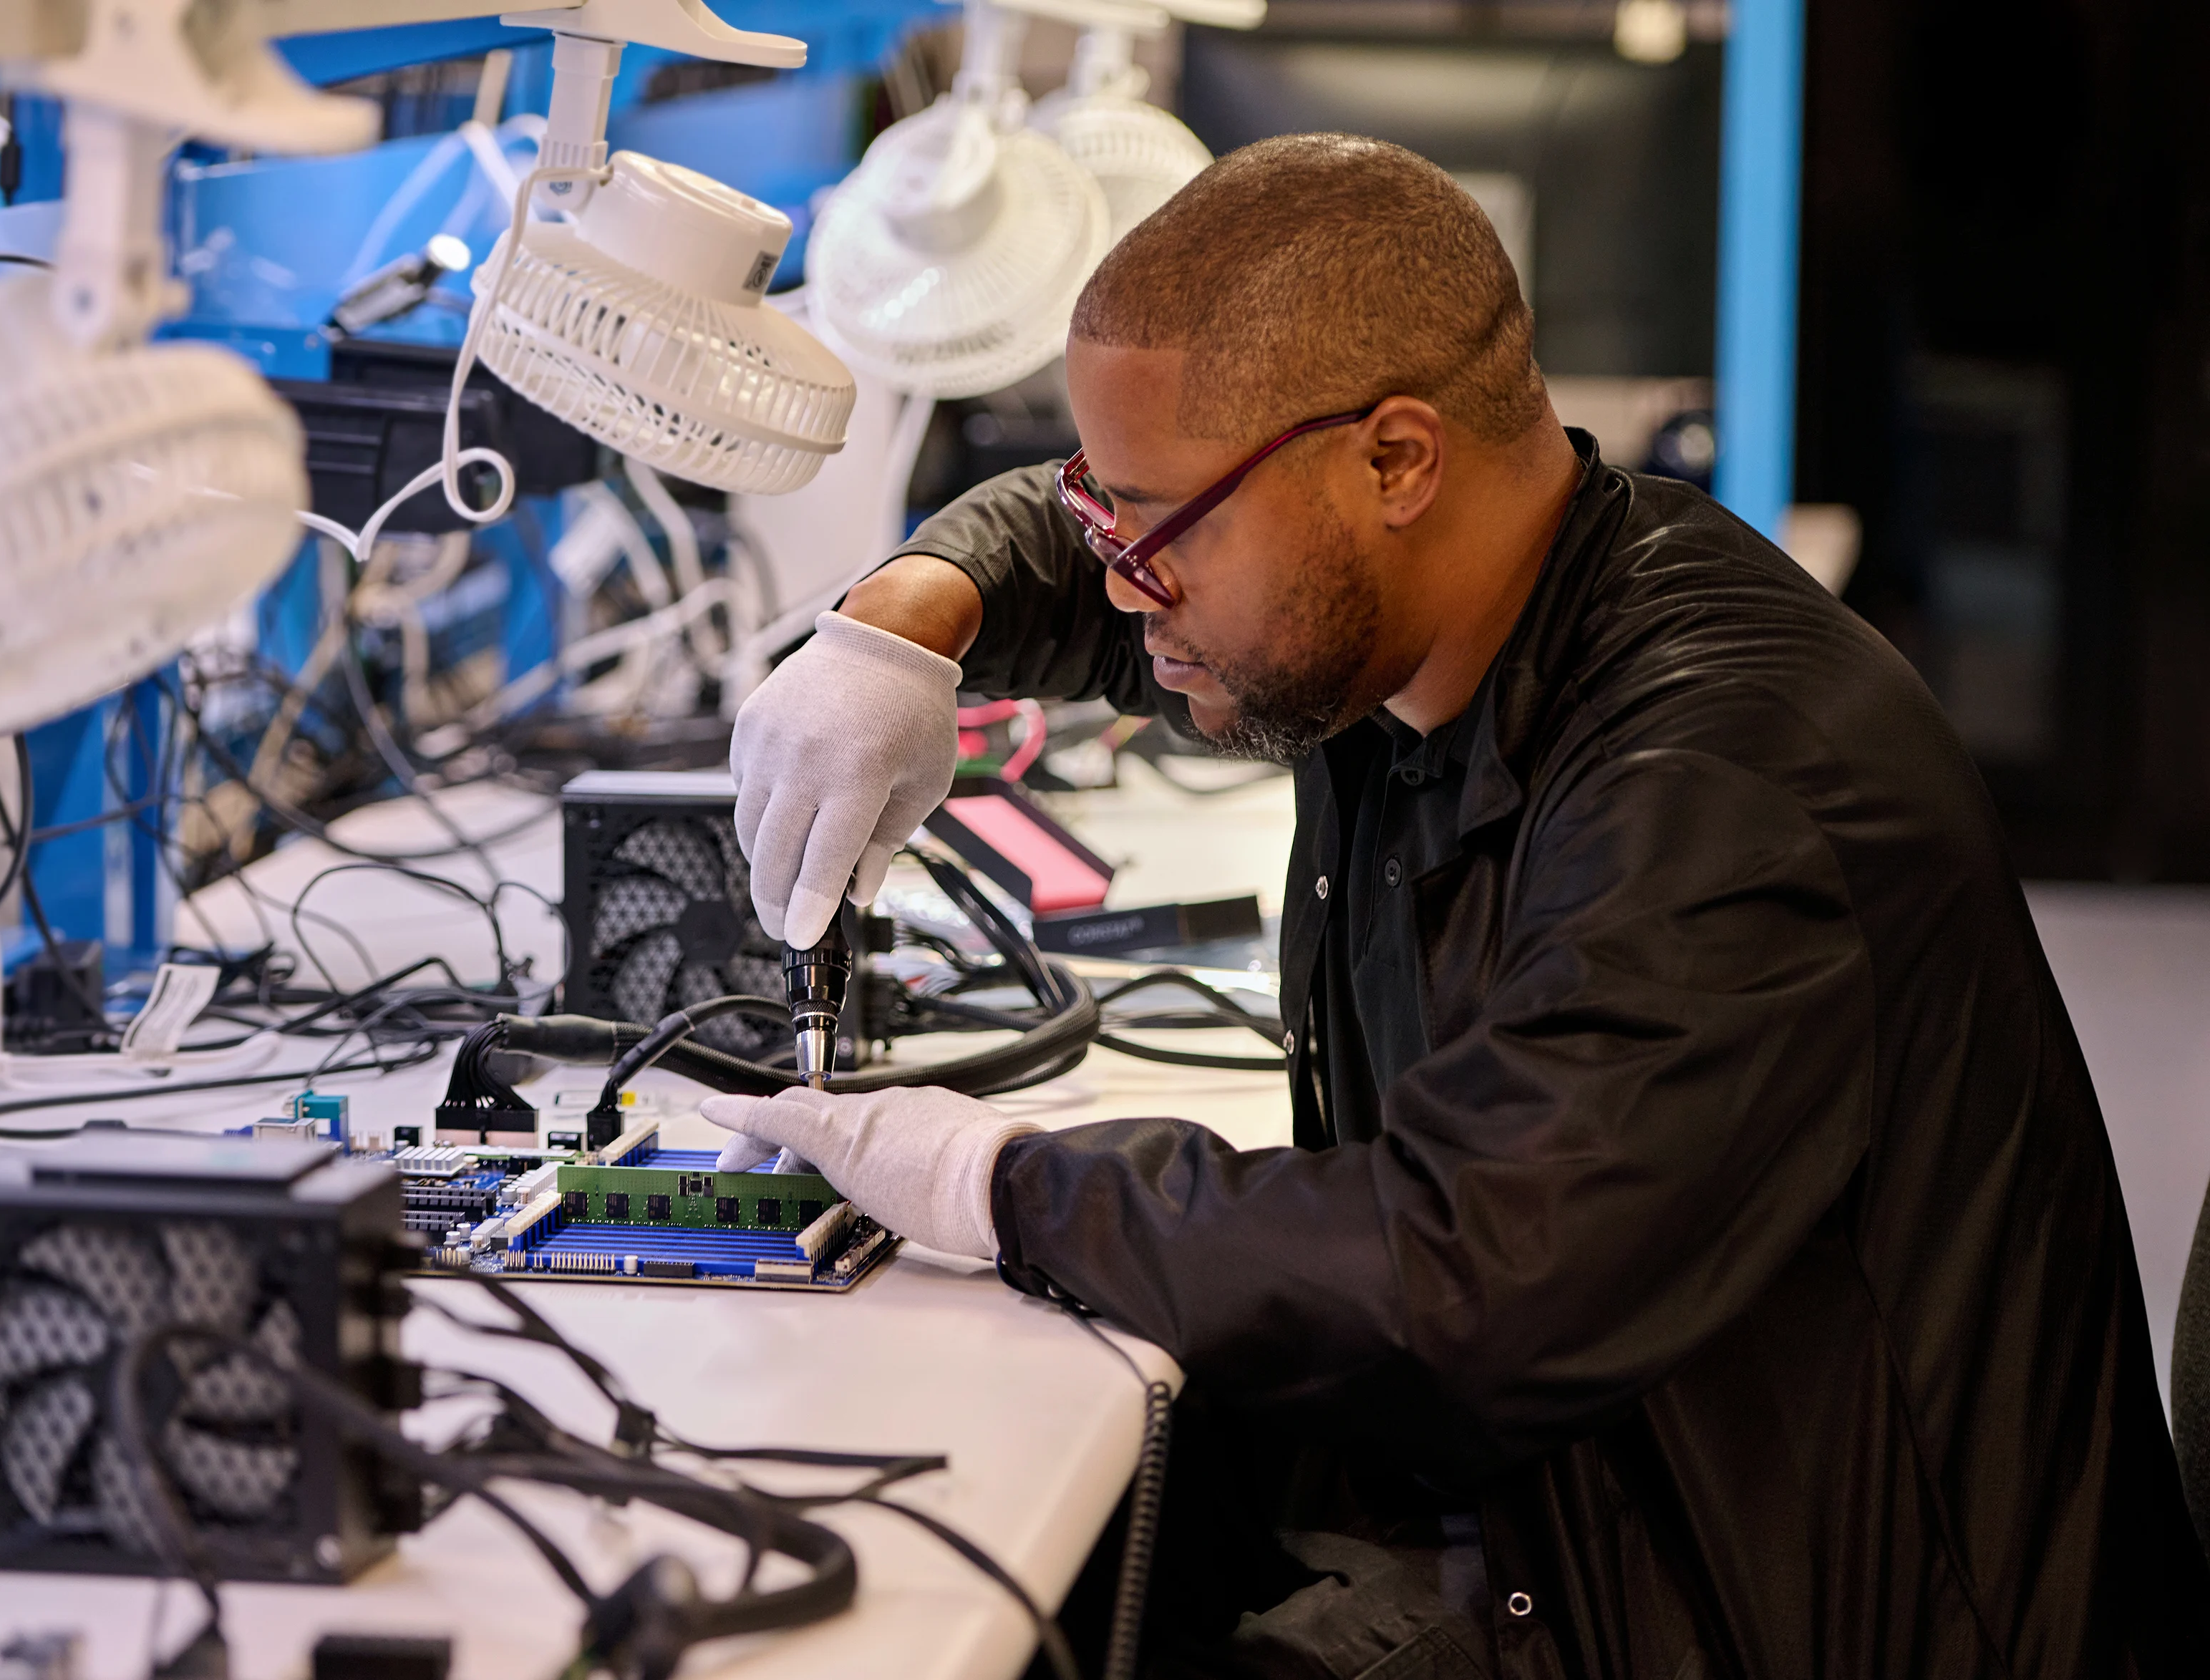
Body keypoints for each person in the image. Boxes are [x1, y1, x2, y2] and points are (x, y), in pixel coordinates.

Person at [702, 135, 2210, 1675]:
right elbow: (1081, 524)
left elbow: (1457, 1279)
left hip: (1778, 1610)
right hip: (1583, 1504)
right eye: (1110, 520)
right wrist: (901, 623)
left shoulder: (1722, 780)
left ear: (1393, 462)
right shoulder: (1416, 609)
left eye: (1150, 535)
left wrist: (994, 1182)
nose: (1120, 584)